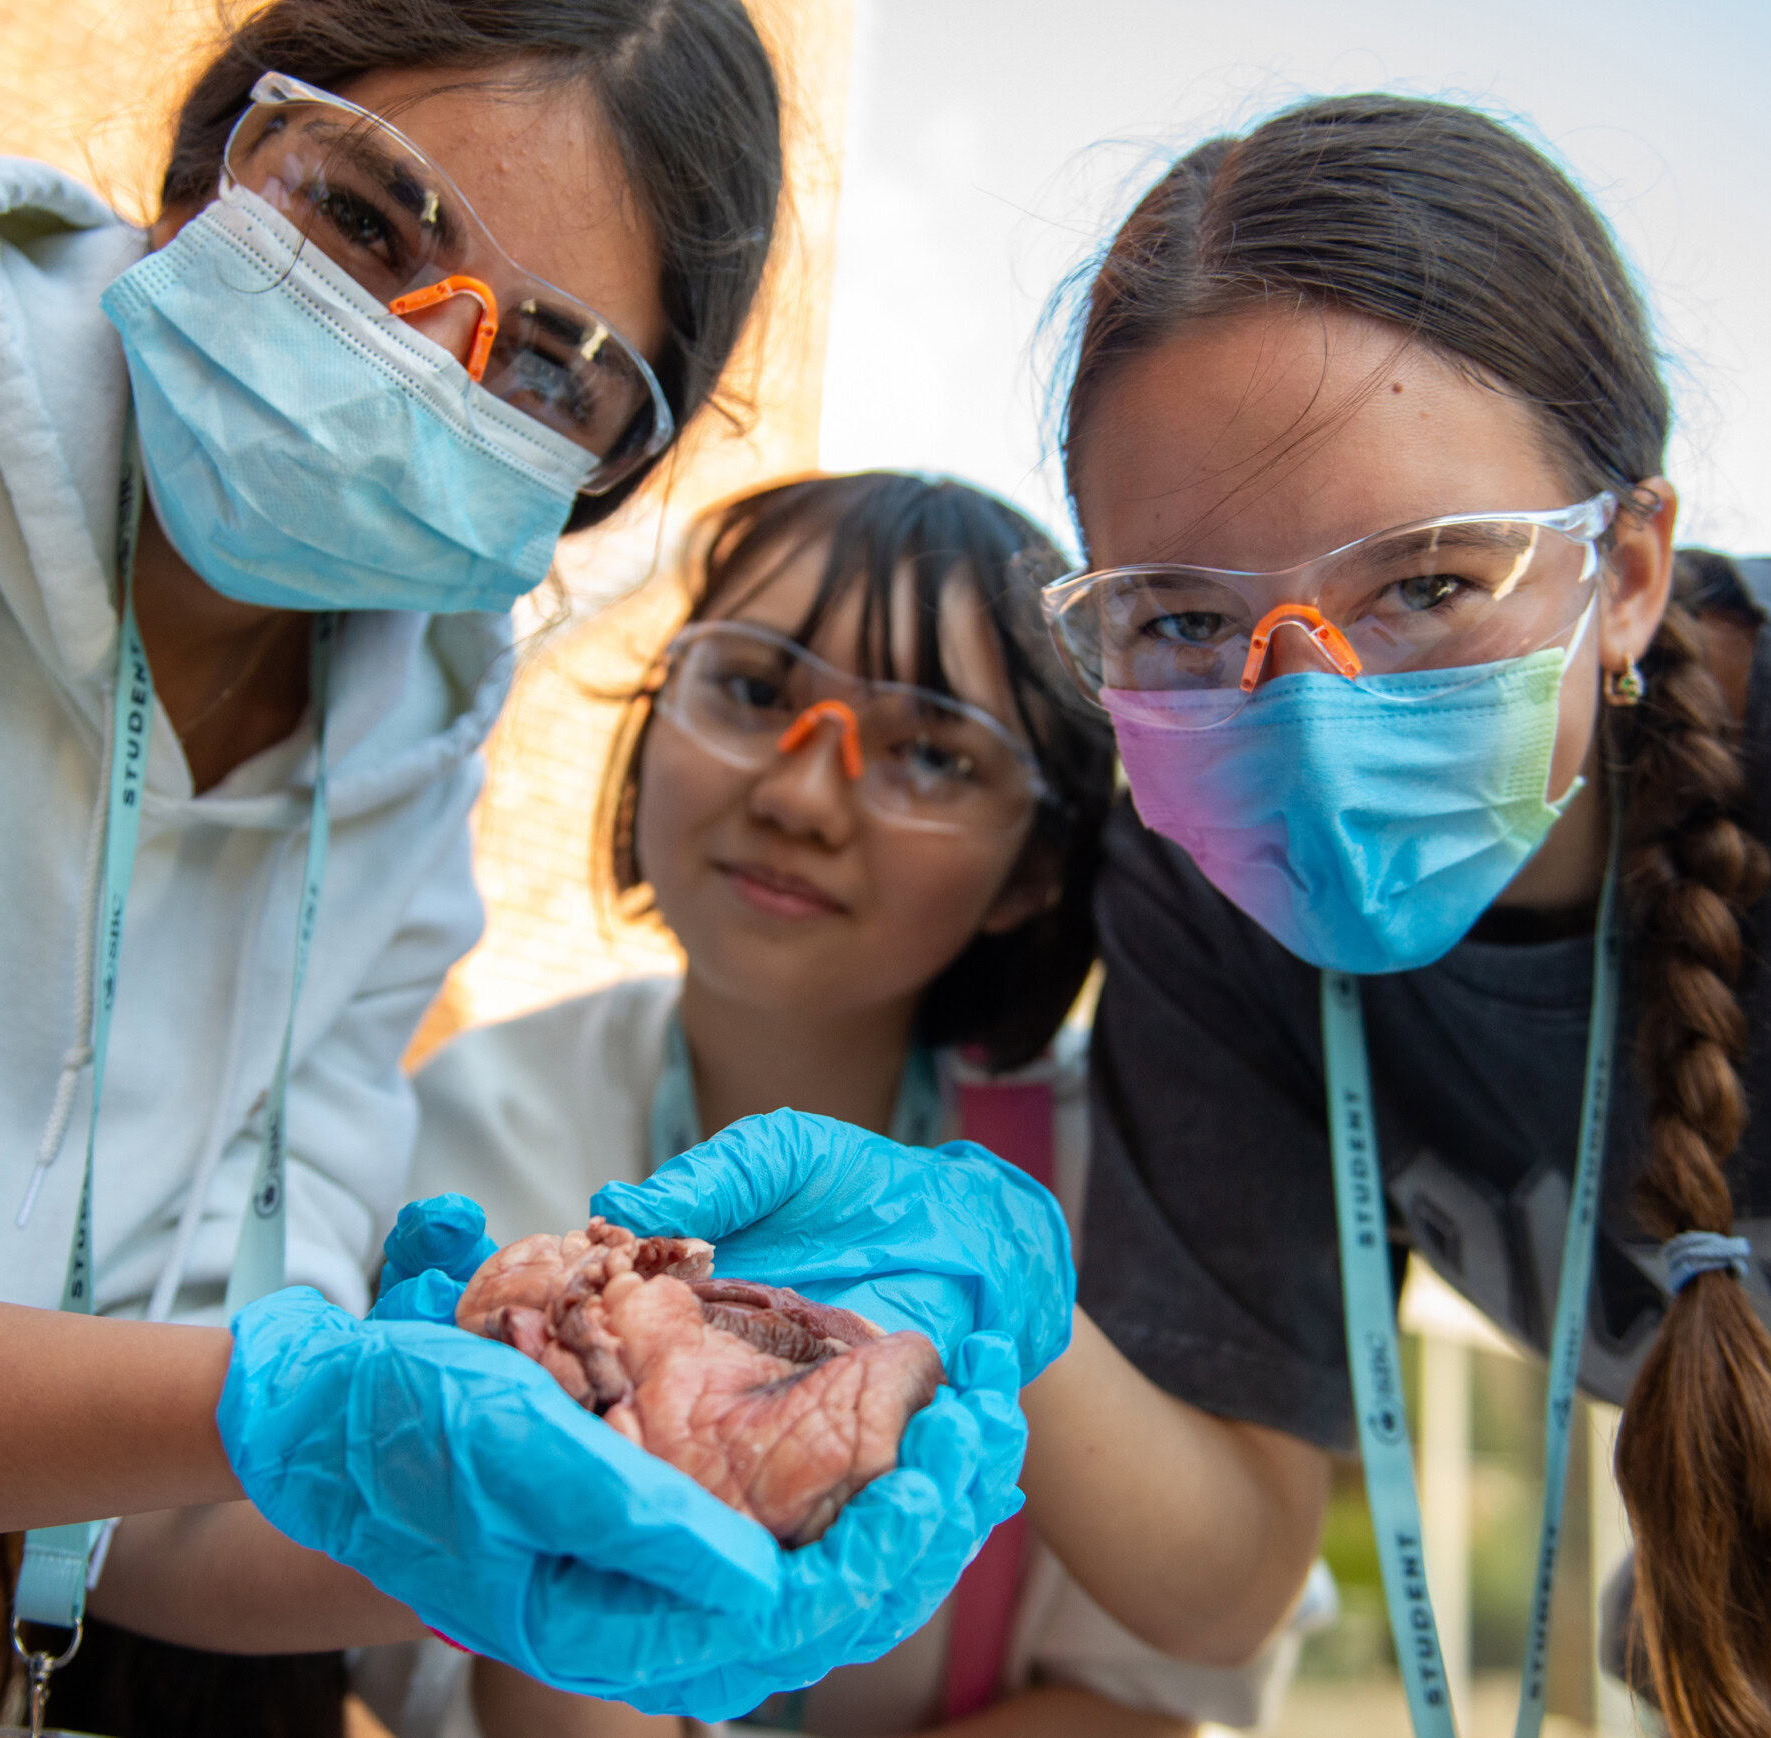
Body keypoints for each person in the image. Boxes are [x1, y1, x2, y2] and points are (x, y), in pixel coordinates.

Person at [0, 3, 1055, 1730]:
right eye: (366, 217)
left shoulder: (404, 728)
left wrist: (617, 1477)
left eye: (546, 360)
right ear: (212, 162)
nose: (417, 351)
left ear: (599, 469)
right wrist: (300, 1409)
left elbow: (163, 1508)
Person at [1001, 94, 1771, 1738]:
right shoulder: (1200, 898)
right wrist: (989, 1291)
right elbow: (1225, 1570)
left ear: (1634, 569)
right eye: (1178, 613)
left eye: (1428, 586)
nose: (1305, 712)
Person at [361, 471, 1334, 1738]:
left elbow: (1156, 1688)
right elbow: (450, 1669)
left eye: (931, 752)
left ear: (1033, 870)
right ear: (655, 715)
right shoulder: (473, 1123)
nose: (800, 796)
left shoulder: (1112, 1188)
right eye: (756, 691)